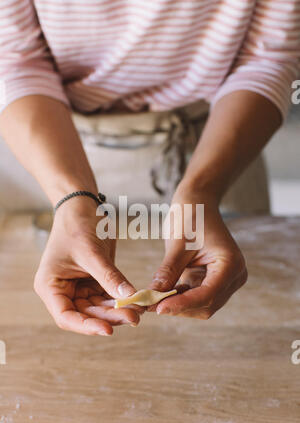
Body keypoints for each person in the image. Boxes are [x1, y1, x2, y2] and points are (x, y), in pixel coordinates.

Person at [0, 0, 299, 336]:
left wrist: (202, 190)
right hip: (48, 146)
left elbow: (268, 59)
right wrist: (71, 200)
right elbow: (15, 60)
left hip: (219, 145)